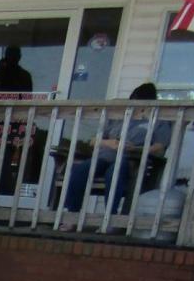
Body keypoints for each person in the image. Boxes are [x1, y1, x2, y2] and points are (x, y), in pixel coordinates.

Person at [61, 83, 171, 222]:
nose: (137, 106)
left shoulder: (158, 121)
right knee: (79, 170)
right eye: (135, 100)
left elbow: (159, 147)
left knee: (113, 173)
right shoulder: (118, 118)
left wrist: (136, 149)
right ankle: (72, 216)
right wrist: (109, 143)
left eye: (142, 101)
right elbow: (93, 140)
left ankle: (110, 218)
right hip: (105, 156)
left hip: (130, 160)